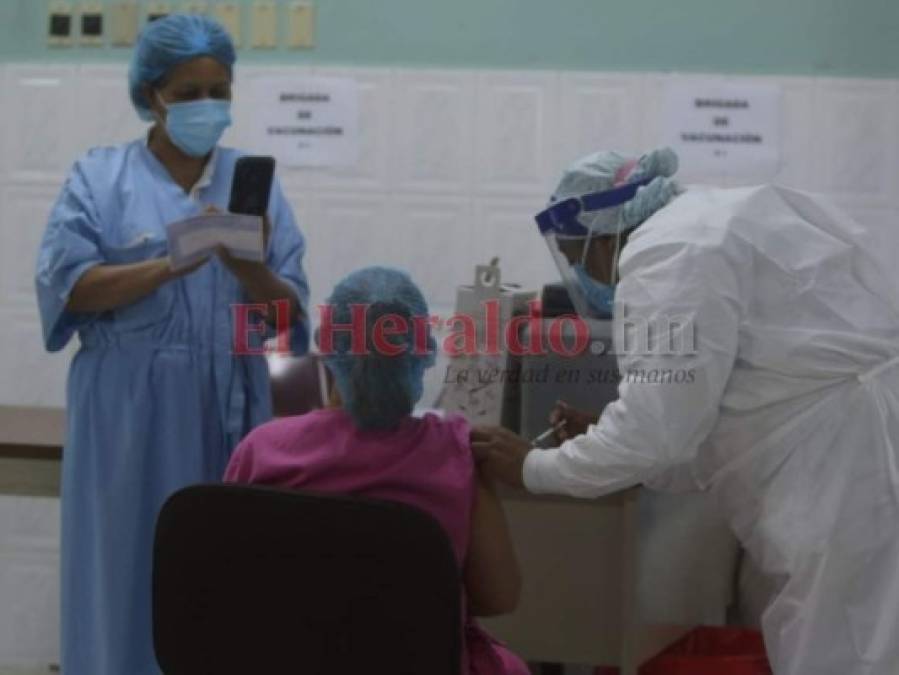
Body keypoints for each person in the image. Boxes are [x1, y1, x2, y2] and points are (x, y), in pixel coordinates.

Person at [472, 148, 899, 675]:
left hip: (842, 468)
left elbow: (659, 436)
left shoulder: (670, 251)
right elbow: (691, 423)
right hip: (848, 451)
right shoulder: (704, 221)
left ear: (602, 235)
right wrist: (610, 440)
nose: (581, 273)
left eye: (577, 255)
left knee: (846, 648)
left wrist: (531, 468)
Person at [34, 14, 309, 675]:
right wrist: (169, 259)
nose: (205, 105)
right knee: (121, 576)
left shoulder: (255, 183)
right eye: (187, 92)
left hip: (229, 413)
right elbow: (66, 287)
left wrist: (246, 265)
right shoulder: (99, 180)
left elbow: (288, 318)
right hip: (125, 422)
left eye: (219, 88)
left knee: (220, 584)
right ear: (151, 94)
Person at [225, 267, 529, 675]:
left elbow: (232, 582)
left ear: (325, 348)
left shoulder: (261, 451)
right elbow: (499, 596)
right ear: (423, 354)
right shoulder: (456, 451)